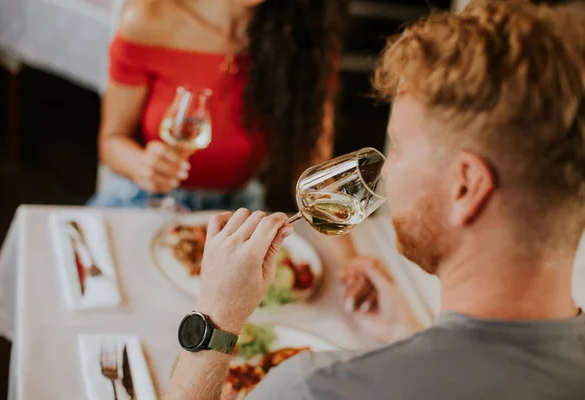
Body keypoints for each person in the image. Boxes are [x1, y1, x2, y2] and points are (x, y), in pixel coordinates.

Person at [166, 0, 585, 399]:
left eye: (399, 148)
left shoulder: (317, 389)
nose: (386, 171)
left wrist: (214, 318)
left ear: (465, 187)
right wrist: (409, 333)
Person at [89, 0, 347, 211]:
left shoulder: (309, 38)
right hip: (142, 199)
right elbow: (111, 142)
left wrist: (350, 259)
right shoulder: (149, 17)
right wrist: (141, 165)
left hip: (237, 210)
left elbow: (313, 171)